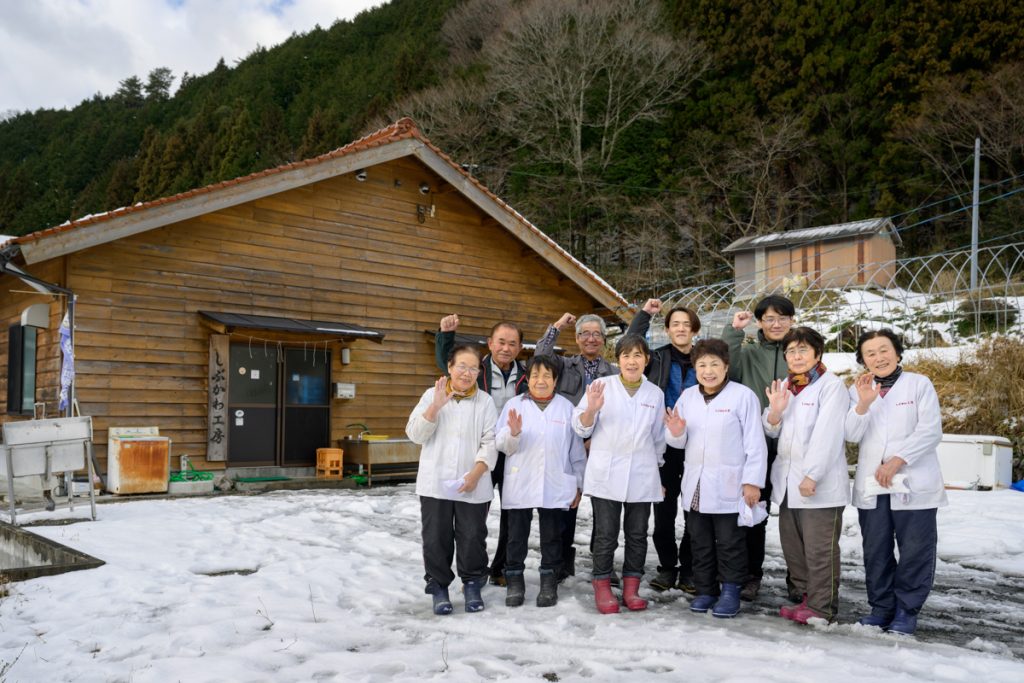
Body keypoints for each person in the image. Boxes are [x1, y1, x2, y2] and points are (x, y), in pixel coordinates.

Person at [845, 329, 945, 635]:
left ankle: (906, 610)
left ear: (897, 353)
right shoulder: (858, 388)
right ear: (863, 360)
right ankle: (882, 607)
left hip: (913, 481)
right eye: (870, 353)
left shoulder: (918, 384)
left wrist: (897, 461)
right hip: (873, 485)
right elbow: (851, 435)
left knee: (915, 548)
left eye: (884, 350)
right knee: (876, 549)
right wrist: (863, 404)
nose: (879, 357)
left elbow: (930, 430)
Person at [665, 338, 767, 618]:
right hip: (696, 483)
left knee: (731, 542)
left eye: (714, 364)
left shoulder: (743, 396)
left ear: (726, 367)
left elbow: (755, 443)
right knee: (699, 540)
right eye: (701, 365)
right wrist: (675, 431)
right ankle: (706, 589)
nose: (708, 371)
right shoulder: (688, 397)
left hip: (731, 484)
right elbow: (677, 443)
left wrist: (752, 481)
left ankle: (731, 590)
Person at [762, 327, 850, 624]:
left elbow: (829, 434)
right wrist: (774, 412)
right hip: (787, 482)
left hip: (818, 483)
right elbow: (771, 428)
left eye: (803, 350)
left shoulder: (831, 386)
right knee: (794, 549)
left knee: (819, 550)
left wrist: (812, 475)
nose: (796, 356)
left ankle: (822, 608)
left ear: (817, 353)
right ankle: (805, 599)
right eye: (791, 351)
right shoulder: (786, 385)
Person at [573, 334, 665, 614]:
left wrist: (657, 476)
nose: (632, 361)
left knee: (637, 534)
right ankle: (602, 586)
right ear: (618, 360)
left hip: (642, 473)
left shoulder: (655, 394)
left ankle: (631, 588)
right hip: (606, 474)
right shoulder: (601, 387)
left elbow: (658, 439)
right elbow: (580, 429)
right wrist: (591, 409)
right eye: (626, 356)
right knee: (606, 534)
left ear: (646, 360)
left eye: (638, 355)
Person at [435, 314, 527, 587]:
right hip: (481, 454)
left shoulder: (526, 375)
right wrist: (446, 335)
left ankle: (502, 568)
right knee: (476, 517)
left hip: (513, 453)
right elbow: (447, 363)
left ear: (519, 347)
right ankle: (473, 568)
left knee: (513, 515)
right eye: (501, 342)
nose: (506, 348)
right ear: (490, 343)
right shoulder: (477, 369)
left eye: (512, 343)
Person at [407, 344, 499, 615]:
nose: (467, 373)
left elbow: (490, 441)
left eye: (473, 368)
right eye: (462, 366)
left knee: (472, 536)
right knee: (436, 537)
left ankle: (472, 582)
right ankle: (438, 587)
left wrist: (476, 473)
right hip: (435, 482)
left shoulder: (485, 401)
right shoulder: (430, 395)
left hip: (474, 481)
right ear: (449, 367)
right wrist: (434, 408)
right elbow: (415, 435)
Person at [495, 355, 586, 608]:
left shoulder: (566, 408)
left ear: (555, 380)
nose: (541, 380)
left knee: (552, 536)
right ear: (528, 379)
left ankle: (548, 581)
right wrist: (512, 434)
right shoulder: (515, 404)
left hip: (555, 482)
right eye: (535, 375)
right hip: (520, 481)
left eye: (547, 375)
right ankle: (514, 581)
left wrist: (578, 483)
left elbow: (576, 452)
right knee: (516, 536)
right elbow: (501, 445)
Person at [722, 294, 795, 601]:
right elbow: (729, 368)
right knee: (754, 512)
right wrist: (734, 331)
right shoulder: (749, 352)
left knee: (796, 516)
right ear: (760, 322)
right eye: (769, 318)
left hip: (794, 444)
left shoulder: (800, 350)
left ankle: (800, 579)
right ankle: (751, 574)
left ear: (792, 321)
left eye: (782, 318)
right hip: (757, 445)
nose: (776, 324)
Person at [535, 312, 618, 582]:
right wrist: (557, 326)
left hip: (602, 446)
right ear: (577, 338)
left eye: (597, 334)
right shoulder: (564, 365)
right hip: (567, 444)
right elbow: (541, 354)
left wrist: (594, 440)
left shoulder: (614, 373)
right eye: (585, 334)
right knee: (567, 501)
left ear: (604, 340)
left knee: (604, 508)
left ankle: (602, 560)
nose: (591, 339)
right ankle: (561, 559)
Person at [626, 298, 700, 593]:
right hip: (664, 445)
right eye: (675, 324)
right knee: (665, 510)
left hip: (697, 443)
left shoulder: (705, 358)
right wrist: (645, 315)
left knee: (696, 509)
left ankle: (692, 568)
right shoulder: (656, 358)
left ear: (694, 329)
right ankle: (668, 567)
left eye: (686, 324)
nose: (681, 329)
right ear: (667, 330)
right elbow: (632, 340)